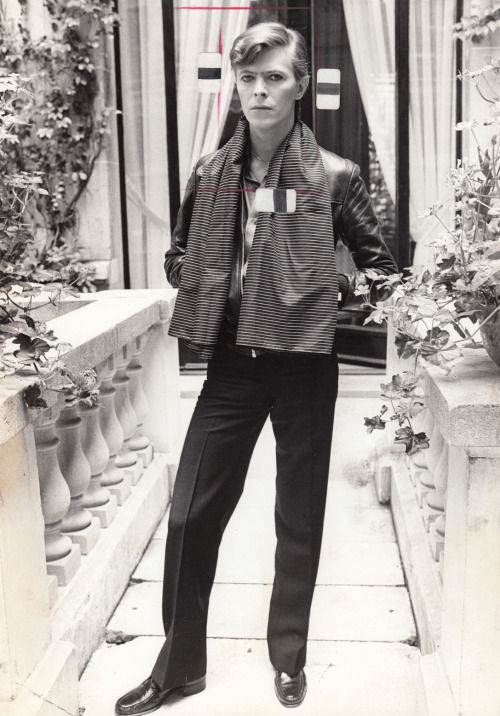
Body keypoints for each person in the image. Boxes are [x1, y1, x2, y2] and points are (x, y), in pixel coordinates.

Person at [115, 21, 398, 716]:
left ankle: (289, 661)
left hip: (304, 362)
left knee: (295, 518)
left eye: (275, 77)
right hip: (231, 364)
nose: (260, 89)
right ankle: (179, 666)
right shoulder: (210, 175)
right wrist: (206, 271)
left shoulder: (335, 177)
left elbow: (382, 273)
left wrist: (331, 288)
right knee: (188, 519)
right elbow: (177, 257)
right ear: (235, 87)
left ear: (301, 87)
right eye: (249, 77)